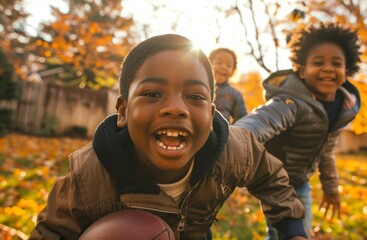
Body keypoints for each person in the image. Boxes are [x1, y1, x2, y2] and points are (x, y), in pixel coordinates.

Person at [29, 34, 307, 240]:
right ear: (124, 111)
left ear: (211, 116)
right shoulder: (90, 176)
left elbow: (271, 178)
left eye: (195, 96)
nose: (175, 108)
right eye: (152, 94)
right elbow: (51, 231)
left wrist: (292, 230)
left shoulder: (235, 153)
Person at [234, 22, 362, 238]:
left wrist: (331, 188)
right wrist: (233, 139)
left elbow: (326, 150)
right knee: (287, 235)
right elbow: (262, 120)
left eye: (336, 63)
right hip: (275, 184)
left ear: (346, 71)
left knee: (301, 234)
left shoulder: (343, 108)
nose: (328, 68)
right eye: (318, 62)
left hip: (301, 184)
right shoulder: (290, 102)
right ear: (302, 71)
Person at [209, 48, 247, 123]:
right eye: (219, 63)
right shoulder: (199, 87)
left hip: (220, 132)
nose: (223, 67)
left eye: (228, 65)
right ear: (208, 64)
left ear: (233, 71)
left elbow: (241, 119)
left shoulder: (235, 95)